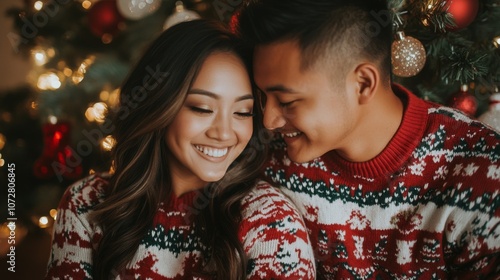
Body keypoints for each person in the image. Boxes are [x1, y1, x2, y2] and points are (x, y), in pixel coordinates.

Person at [234, 0, 500, 279]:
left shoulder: (483, 173)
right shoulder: (266, 157)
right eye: (263, 96)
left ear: (362, 84)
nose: (268, 121)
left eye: (287, 101)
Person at [44, 19, 315, 280]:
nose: (224, 133)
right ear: (159, 105)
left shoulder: (272, 221)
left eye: (243, 112)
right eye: (203, 108)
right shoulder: (85, 203)